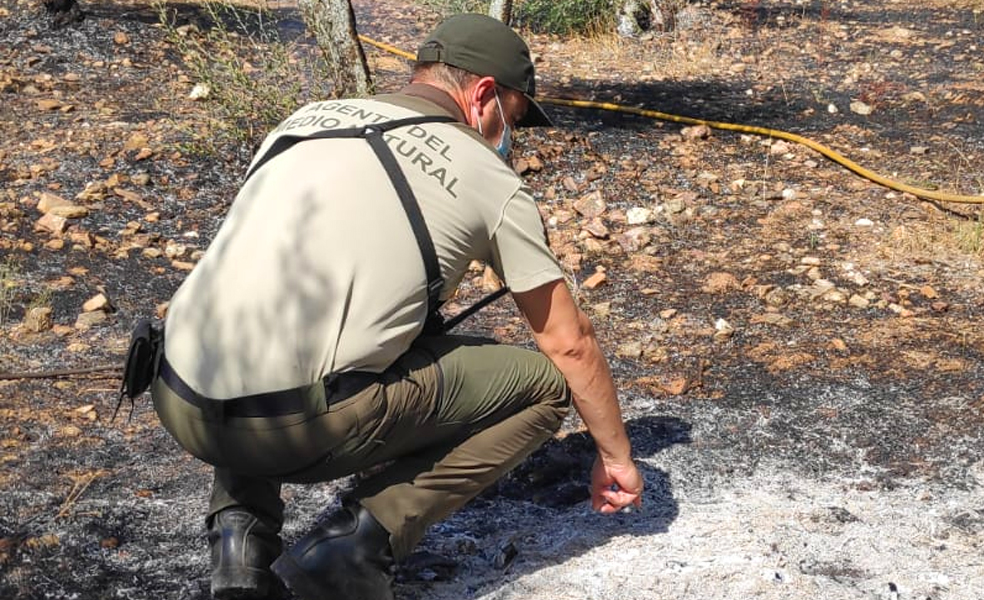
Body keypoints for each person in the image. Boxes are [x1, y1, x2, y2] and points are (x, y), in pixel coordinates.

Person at [149, 13, 643, 600]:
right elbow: (569, 342)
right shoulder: (484, 172)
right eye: (511, 118)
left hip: (176, 393)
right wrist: (615, 455)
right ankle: (351, 551)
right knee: (544, 385)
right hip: (287, 427)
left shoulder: (304, 120)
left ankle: (240, 544)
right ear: (483, 94)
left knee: (269, 305)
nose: (509, 135)